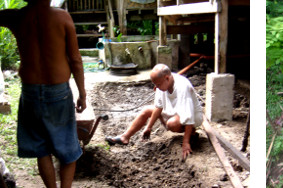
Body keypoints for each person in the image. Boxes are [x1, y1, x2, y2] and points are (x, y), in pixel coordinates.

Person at [0, 0, 88, 187]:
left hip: (30, 93)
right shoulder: (62, 17)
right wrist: (82, 93)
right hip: (58, 92)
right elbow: (75, 60)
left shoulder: (17, 17)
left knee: (42, 149)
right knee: (68, 148)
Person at [106, 64, 202, 160]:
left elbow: (188, 117)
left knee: (172, 124)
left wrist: (186, 143)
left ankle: (191, 132)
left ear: (167, 78)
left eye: (158, 85)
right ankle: (125, 137)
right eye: (155, 84)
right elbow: (158, 107)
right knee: (146, 110)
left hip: (193, 117)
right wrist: (149, 127)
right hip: (173, 110)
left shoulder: (182, 87)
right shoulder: (161, 83)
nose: (155, 87)